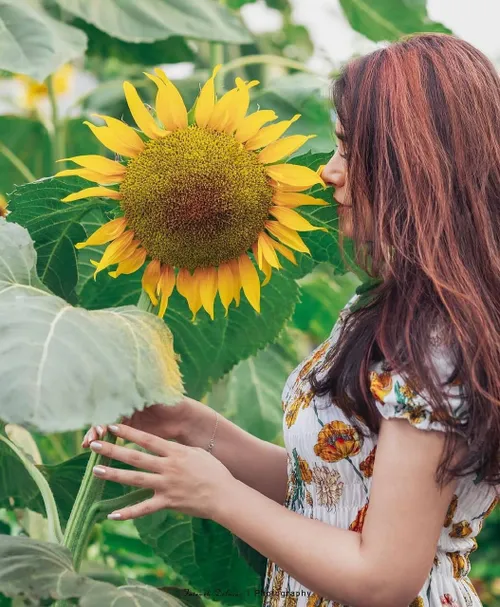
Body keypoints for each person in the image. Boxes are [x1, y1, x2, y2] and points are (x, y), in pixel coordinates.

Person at [82, 33, 499, 607]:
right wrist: (192, 427)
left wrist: (218, 496)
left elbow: (384, 579)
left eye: (348, 151)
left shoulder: (435, 342)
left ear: (412, 167)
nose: (328, 173)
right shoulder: (382, 309)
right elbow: (335, 490)